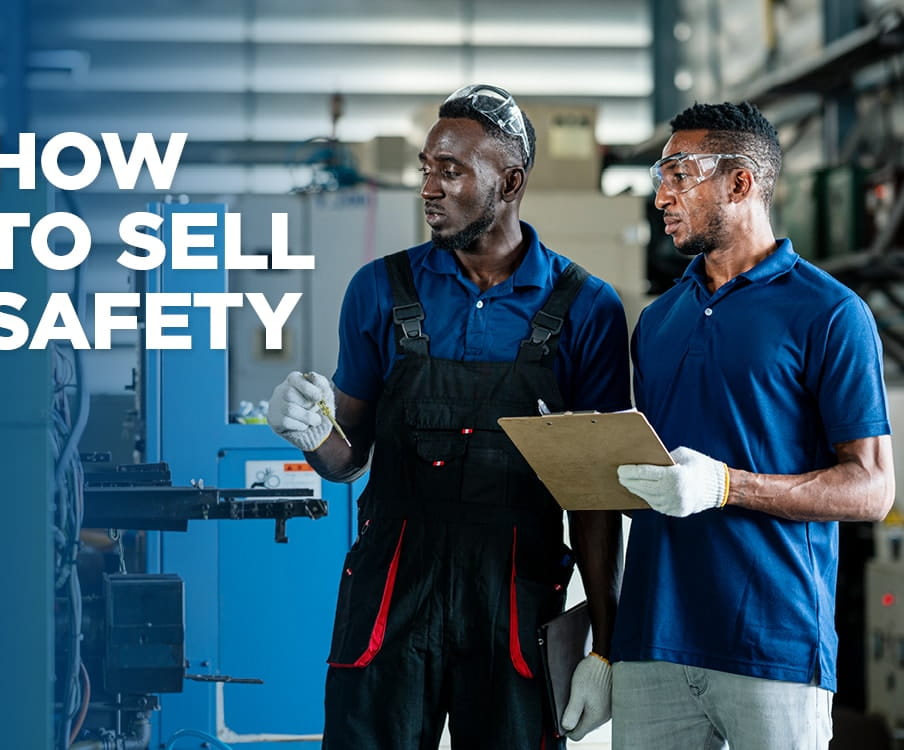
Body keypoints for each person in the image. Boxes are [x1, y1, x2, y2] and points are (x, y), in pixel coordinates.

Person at [267, 84, 630, 749]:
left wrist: (606, 649)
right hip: (393, 588)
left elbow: (595, 499)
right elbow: (349, 459)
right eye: (425, 168)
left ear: (510, 180)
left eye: (451, 170)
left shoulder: (586, 309)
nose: (428, 187)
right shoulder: (380, 290)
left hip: (514, 593)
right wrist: (313, 435)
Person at [611, 101, 896, 749]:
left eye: (679, 173)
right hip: (651, 644)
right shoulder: (657, 321)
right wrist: (605, 644)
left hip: (773, 648)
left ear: (740, 183)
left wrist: (726, 487)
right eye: (663, 175)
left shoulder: (830, 314)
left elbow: (872, 491)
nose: (661, 195)